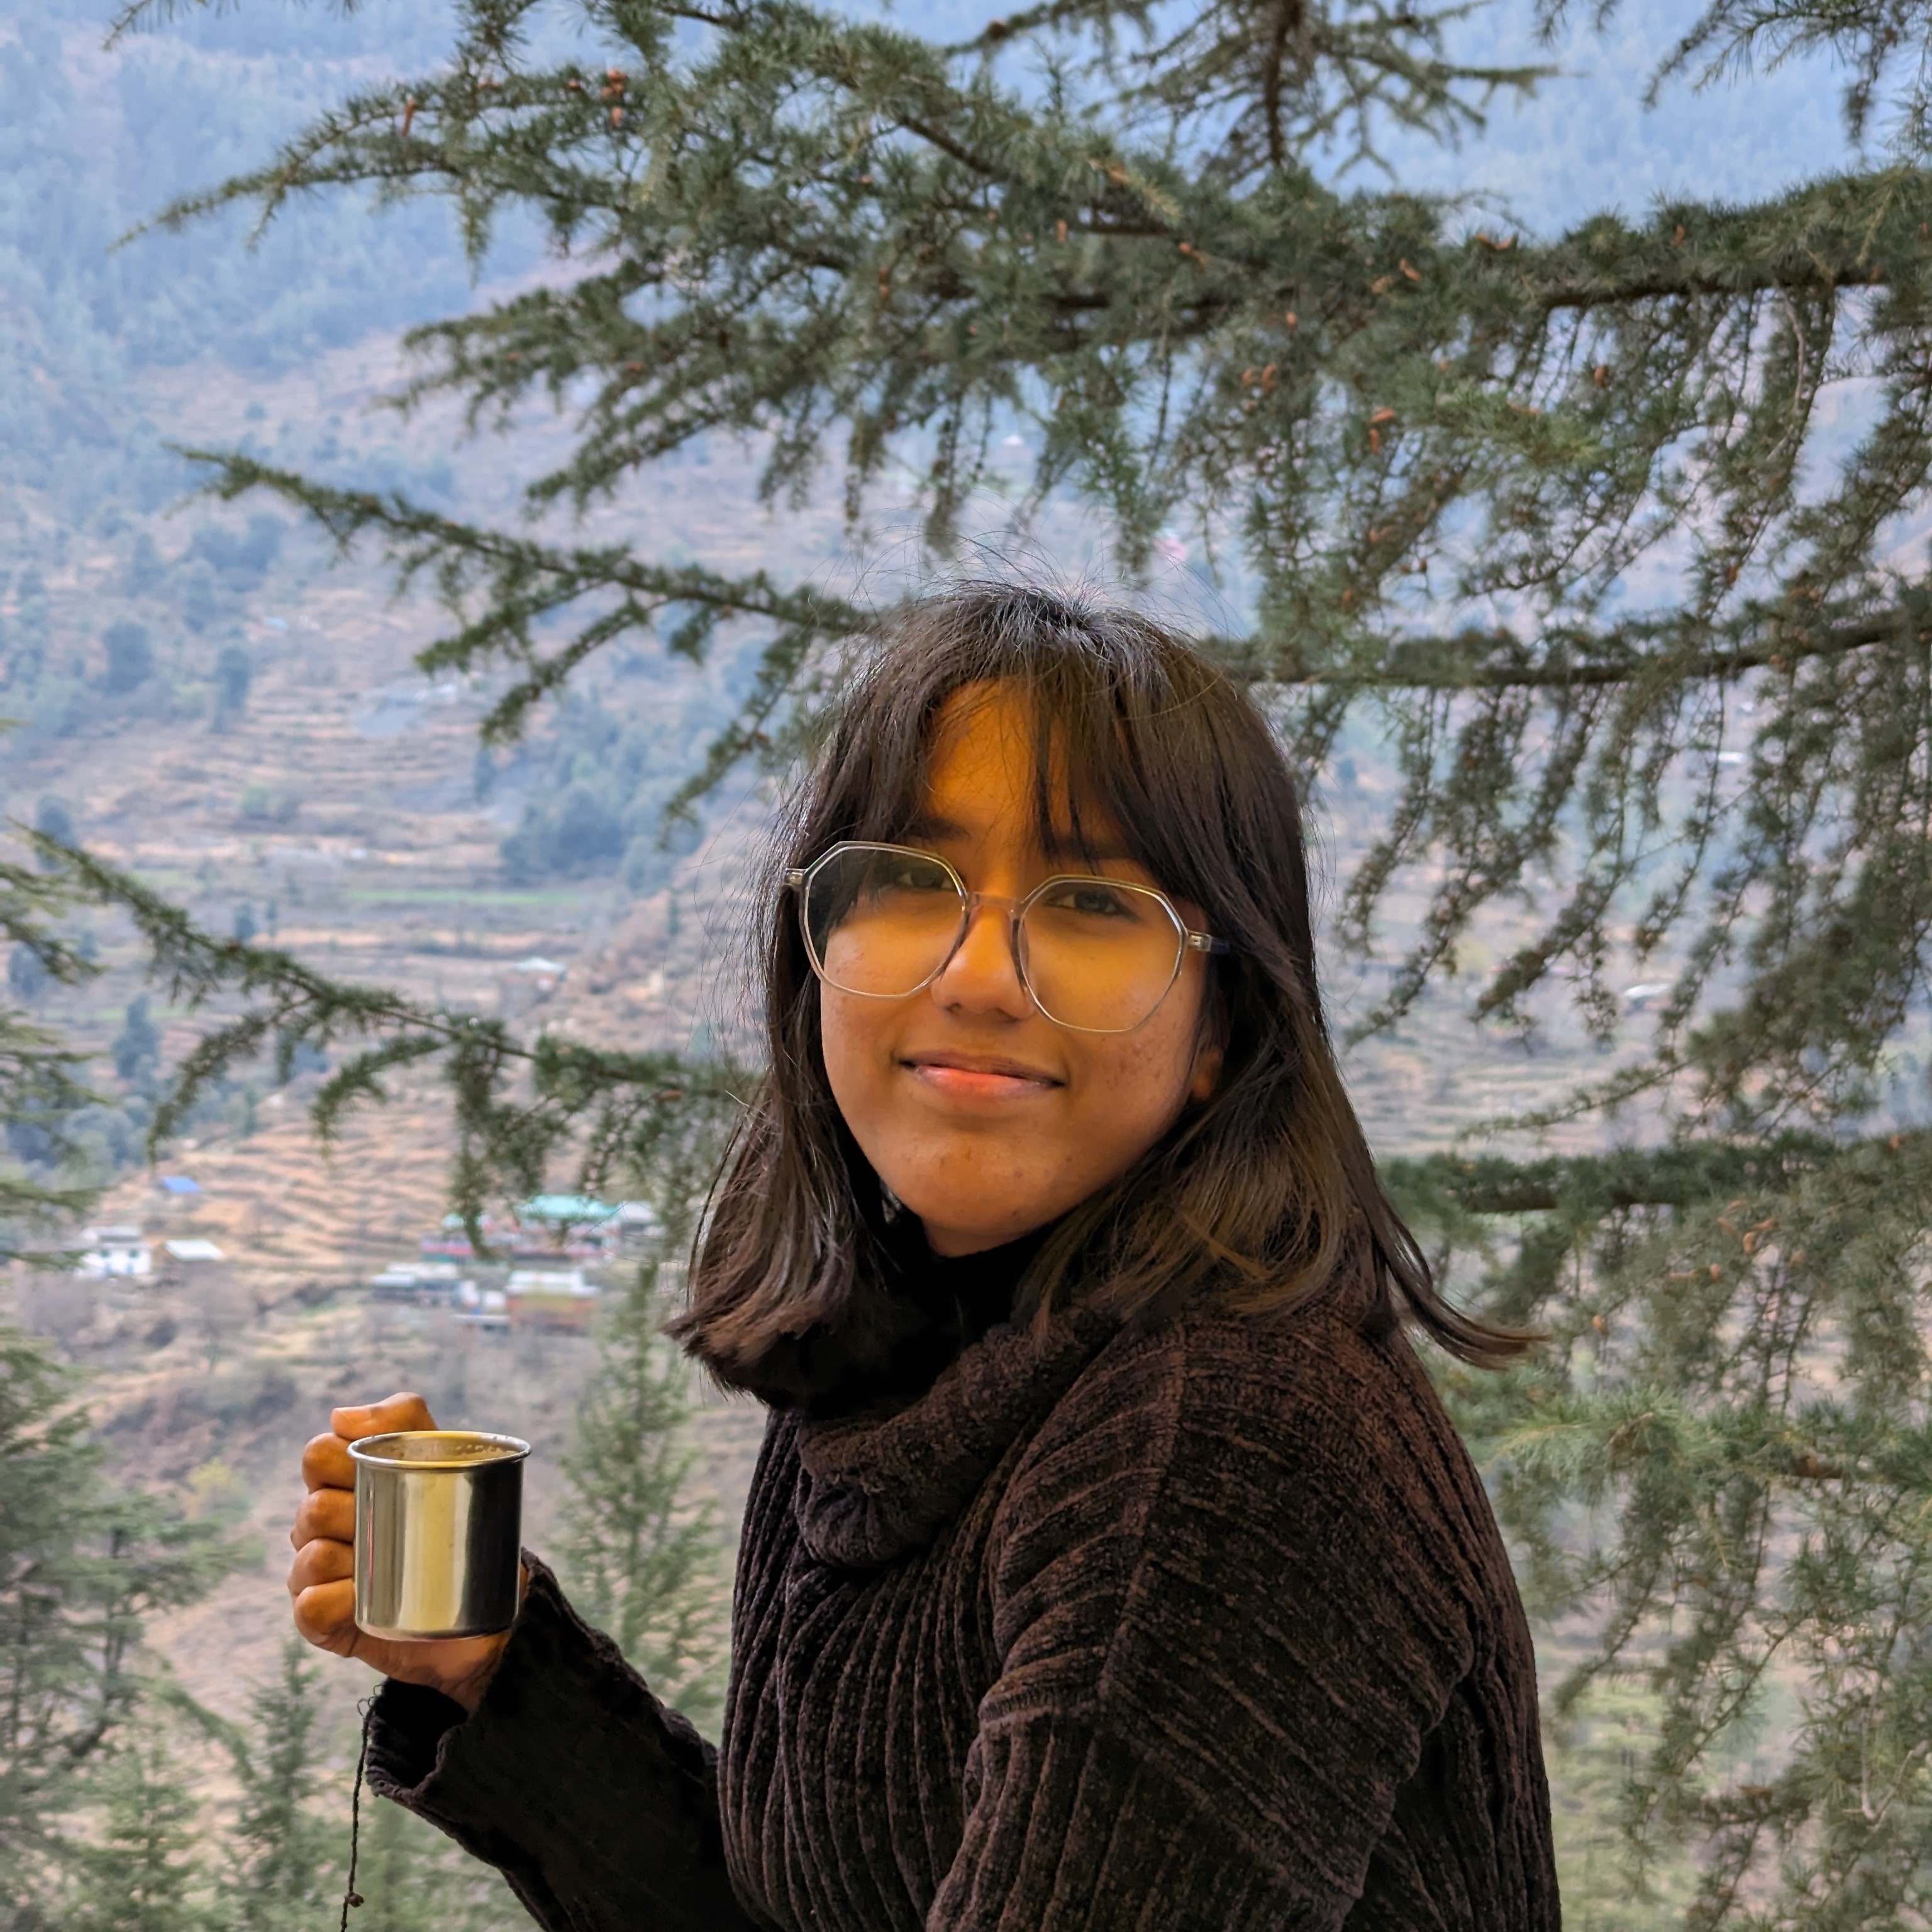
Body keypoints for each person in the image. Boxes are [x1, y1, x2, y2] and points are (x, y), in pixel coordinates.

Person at [289, 584, 1562, 1931]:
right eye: (909, 880)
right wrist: (497, 1672)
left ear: (1222, 1027)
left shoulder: (1227, 1449)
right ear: (816, 946)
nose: (977, 974)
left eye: (1092, 901)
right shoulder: (890, 1352)